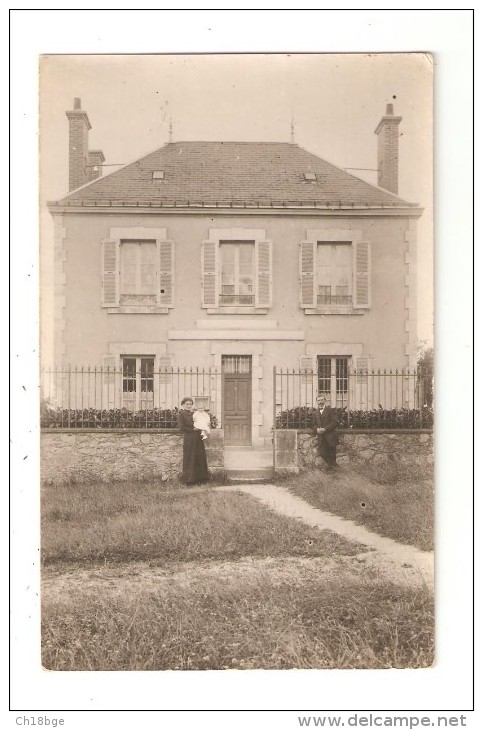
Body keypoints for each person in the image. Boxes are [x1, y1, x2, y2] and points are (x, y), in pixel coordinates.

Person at [177, 397, 210, 484]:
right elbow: (181, 427)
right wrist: (193, 429)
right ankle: (189, 479)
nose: (189, 406)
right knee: (190, 457)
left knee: (199, 457)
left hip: (198, 438)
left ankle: (200, 479)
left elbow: (201, 421)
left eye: (190, 404)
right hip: (189, 439)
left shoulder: (195, 413)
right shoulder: (181, 414)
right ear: (183, 405)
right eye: (187, 404)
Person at [312, 393, 339, 470]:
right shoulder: (314, 413)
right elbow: (313, 424)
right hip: (321, 437)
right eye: (318, 400)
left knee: (331, 453)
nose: (320, 402)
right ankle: (332, 468)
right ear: (316, 402)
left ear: (325, 401)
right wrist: (316, 429)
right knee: (322, 453)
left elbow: (335, 422)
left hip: (330, 436)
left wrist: (325, 429)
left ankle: (332, 469)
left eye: (321, 400)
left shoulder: (331, 410)